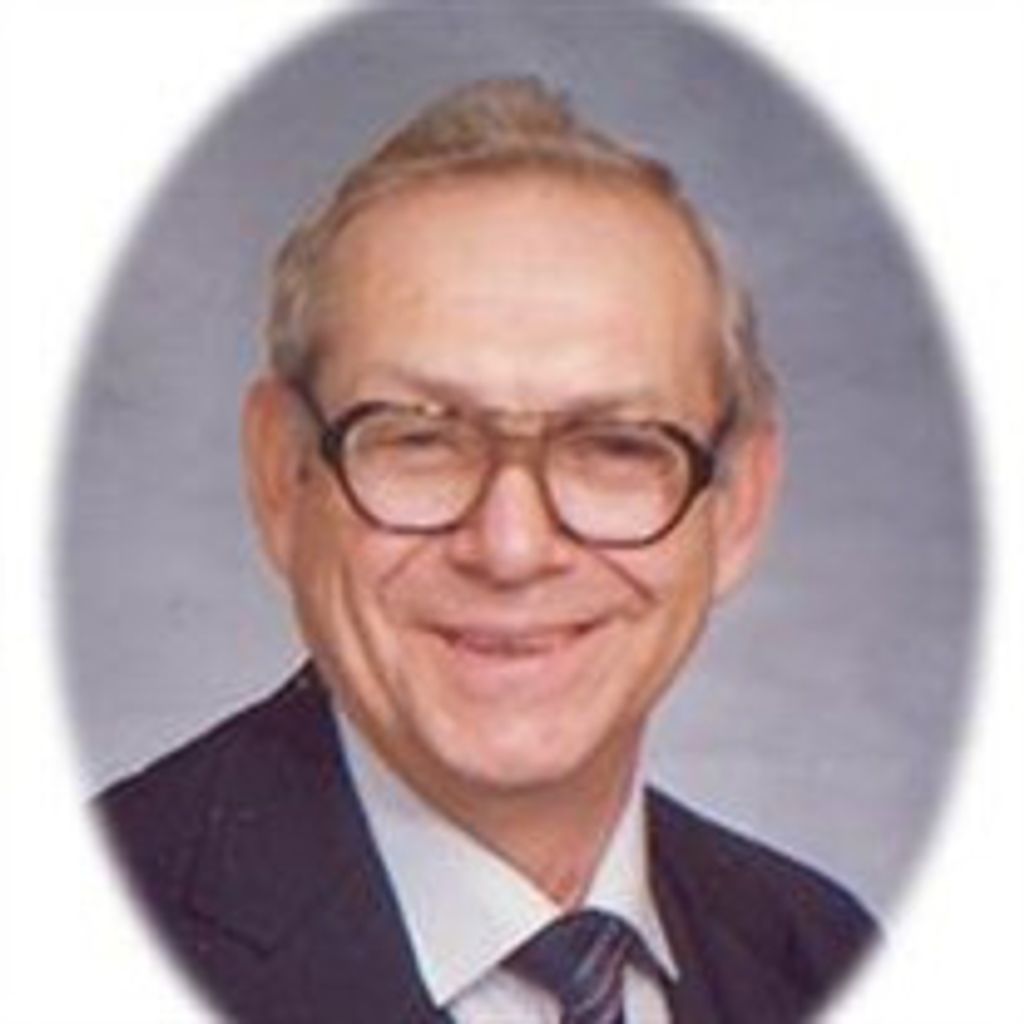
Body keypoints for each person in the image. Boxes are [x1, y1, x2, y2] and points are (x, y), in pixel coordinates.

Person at [99, 77, 875, 1023]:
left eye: (614, 446)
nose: (511, 549)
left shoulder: (828, 960)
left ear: (737, 504)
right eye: (421, 439)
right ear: (281, 477)